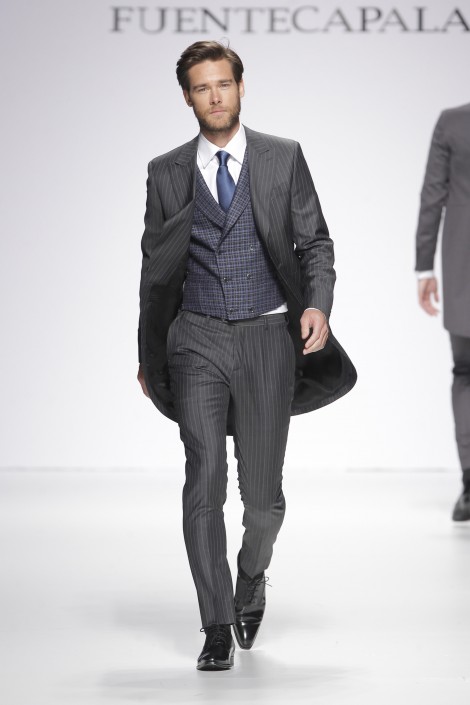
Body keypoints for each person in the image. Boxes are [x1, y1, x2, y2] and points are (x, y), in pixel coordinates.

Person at [137, 40, 356, 671]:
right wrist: (148, 354)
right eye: (202, 87)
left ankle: (251, 576)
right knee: (203, 480)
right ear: (187, 97)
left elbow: (316, 243)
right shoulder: (166, 172)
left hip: (266, 338)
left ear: (240, 86)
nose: (215, 96)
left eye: (224, 84)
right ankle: (214, 625)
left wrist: (318, 305)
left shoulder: (282, 157)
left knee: (263, 499)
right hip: (195, 339)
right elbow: (154, 271)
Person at [415, 102, 470, 522]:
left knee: (466, 373)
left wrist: (424, 267)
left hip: (462, 263)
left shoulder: (454, 123)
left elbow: (433, 196)